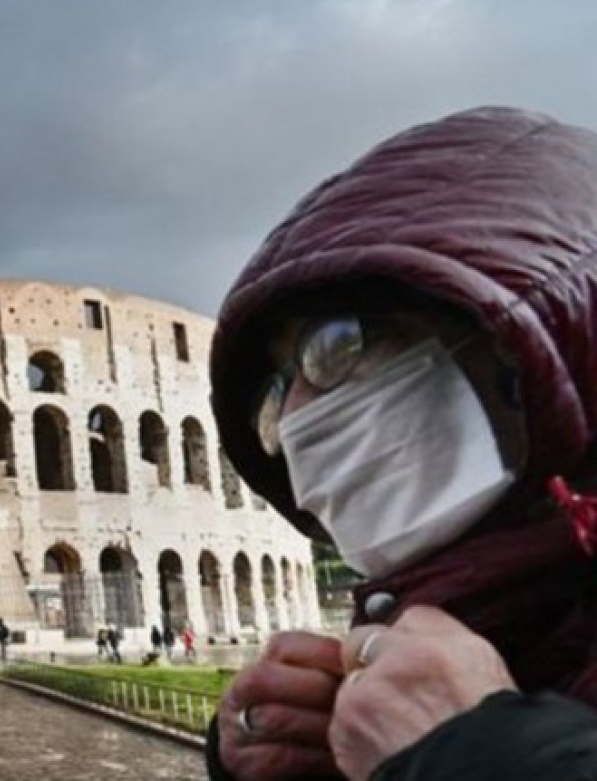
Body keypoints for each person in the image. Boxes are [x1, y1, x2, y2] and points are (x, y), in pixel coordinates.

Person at [205, 106, 597, 780]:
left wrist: (481, 757)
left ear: (524, 348)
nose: (295, 415)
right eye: (276, 389)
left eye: (335, 343)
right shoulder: (447, 629)